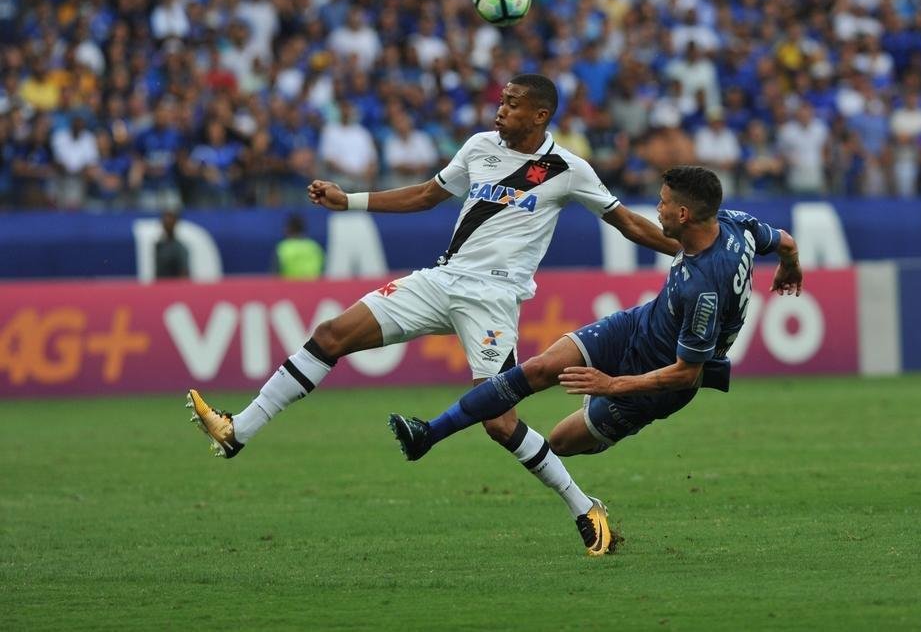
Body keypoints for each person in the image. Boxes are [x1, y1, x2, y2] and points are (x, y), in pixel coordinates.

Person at [186, 74, 679, 554]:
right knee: (332, 334)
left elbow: (628, 223)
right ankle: (237, 431)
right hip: (441, 280)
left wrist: (688, 251)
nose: (499, 109)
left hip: (493, 299)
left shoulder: (567, 168)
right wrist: (349, 201)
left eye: (511, 103)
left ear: (539, 114)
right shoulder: (479, 146)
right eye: (501, 101)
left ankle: (584, 507)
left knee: (500, 423)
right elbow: (426, 194)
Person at [386, 166, 803, 550]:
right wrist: (791, 266)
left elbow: (686, 374)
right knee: (540, 368)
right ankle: (430, 433)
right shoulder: (735, 223)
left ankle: (592, 500)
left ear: (682, 214)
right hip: (636, 327)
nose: (656, 209)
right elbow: (785, 241)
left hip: (655, 379)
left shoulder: (704, 289)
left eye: (661, 203)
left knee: (560, 443)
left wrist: (611, 385)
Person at [273, 213, 324, 279]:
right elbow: (322, 270)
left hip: (289, 287)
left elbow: (275, 273)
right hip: (313, 287)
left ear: (288, 229)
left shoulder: (283, 247)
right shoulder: (314, 246)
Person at [154, 209, 189, 279]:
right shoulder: (158, 245)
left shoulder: (180, 248)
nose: (167, 221)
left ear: (176, 222)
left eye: (170, 218)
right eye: (165, 218)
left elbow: (184, 274)